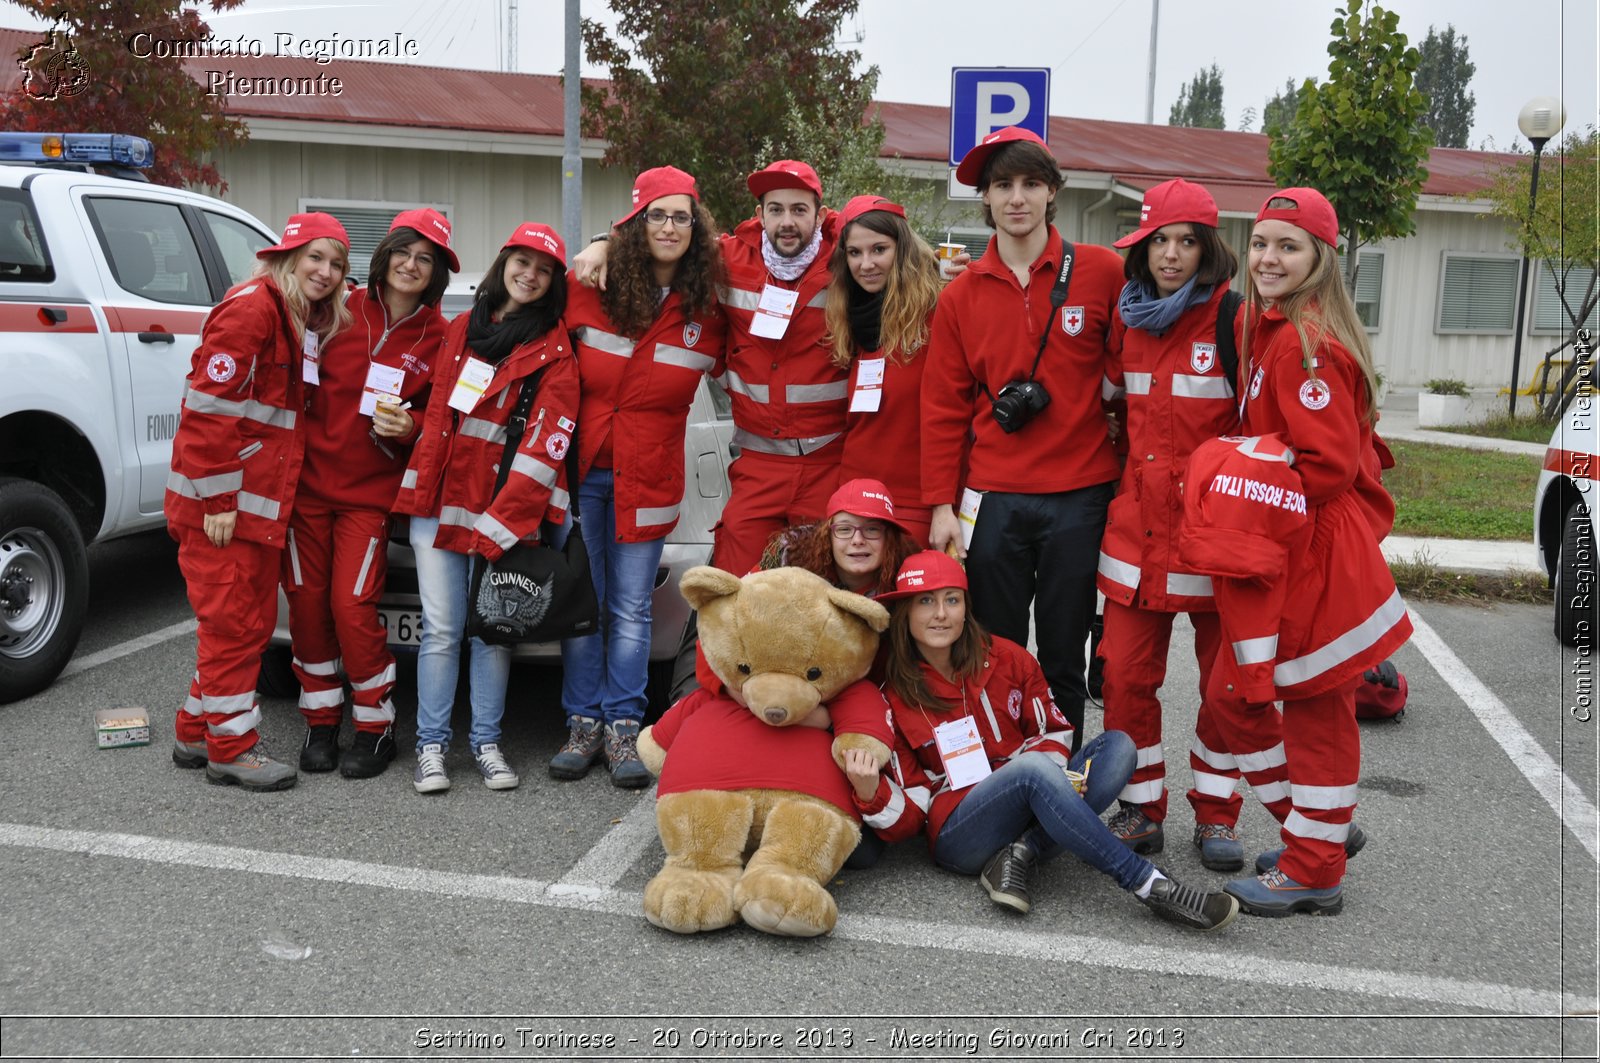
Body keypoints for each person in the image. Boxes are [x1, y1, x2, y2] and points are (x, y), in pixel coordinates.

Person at [1200, 188, 1412, 915]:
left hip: (1316, 550)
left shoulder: (1302, 340)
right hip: (1294, 543)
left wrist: (1232, 461)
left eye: (1287, 246)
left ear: (1319, 257)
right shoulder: (1272, 326)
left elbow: (1323, 466)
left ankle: (1316, 866)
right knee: (1235, 694)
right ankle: (1314, 832)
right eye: (1260, 243)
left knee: (1316, 711)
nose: (1268, 257)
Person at [844, 551, 1239, 932]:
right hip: (959, 832)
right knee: (1033, 771)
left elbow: (1054, 729)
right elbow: (912, 816)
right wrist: (870, 792)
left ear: (967, 606)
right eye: (926, 602)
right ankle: (1149, 884)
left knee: (1119, 747)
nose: (941, 614)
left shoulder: (1007, 657)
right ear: (905, 614)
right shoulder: (890, 694)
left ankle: (1021, 851)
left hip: (1030, 795)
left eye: (952, 599)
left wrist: (1042, 778)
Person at [1095, 179, 1285, 871]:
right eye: (1156, 243)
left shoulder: (1238, 321)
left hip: (1213, 544)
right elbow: (1112, 411)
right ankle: (1141, 808)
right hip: (1134, 542)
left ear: (1208, 248)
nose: (1169, 256)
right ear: (1140, 251)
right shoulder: (1127, 318)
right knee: (1124, 680)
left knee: (1223, 688)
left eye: (1184, 241)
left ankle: (1216, 814)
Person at [921, 126, 1124, 751]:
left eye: (1030, 184)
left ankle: (1063, 780)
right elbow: (942, 409)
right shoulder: (959, 295)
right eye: (1002, 185)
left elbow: (1132, 372)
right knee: (995, 650)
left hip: (1079, 494)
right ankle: (1006, 774)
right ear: (984, 199)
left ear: (1052, 191)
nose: (1017, 198)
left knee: (1064, 651)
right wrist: (939, 507)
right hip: (993, 498)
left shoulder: (1102, 272)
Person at [545, 166, 729, 789]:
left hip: (648, 478)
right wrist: (596, 242)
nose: (670, 227)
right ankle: (582, 722)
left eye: (681, 216)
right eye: (657, 214)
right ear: (635, 223)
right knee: (583, 604)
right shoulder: (588, 287)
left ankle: (624, 727)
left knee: (629, 608)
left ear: (696, 228)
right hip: (581, 472)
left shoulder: (708, 307)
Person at [574, 159, 846, 578]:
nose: (787, 221)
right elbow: (667, 237)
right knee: (731, 596)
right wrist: (604, 241)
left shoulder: (847, 267)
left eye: (799, 209)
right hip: (758, 466)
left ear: (821, 215)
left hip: (829, 464)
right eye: (776, 209)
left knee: (826, 601)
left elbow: (888, 249)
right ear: (759, 215)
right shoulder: (729, 261)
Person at [392, 222, 580, 795]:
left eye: (544, 269)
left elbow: (544, 452)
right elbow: (442, 423)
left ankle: (487, 744)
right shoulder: (461, 330)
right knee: (443, 631)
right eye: (522, 262)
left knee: (494, 632)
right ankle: (431, 748)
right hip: (441, 506)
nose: (530, 274)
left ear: (552, 284)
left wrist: (503, 524)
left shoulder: (555, 351)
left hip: (502, 516)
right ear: (502, 265)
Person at [167, 212, 352, 791]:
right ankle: (231, 748)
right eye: (315, 258)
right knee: (234, 626)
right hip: (224, 509)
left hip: (250, 507)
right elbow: (209, 411)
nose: (325, 272)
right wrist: (220, 497)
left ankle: (196, 731)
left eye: (337, 264)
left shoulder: (293, 315)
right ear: (287, 257)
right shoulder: (254, 308)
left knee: (240, 627)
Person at [285, 209, 455, 780]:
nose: (412, 265)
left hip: (369, 496)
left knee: (350, 608)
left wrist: (412, 430)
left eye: (425, 259)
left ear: (436, 274)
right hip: (307, 489)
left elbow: (449, 417)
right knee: (307, 606)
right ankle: (320, 721)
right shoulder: (336, 309)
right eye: (404, 252)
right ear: (385, 256)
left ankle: (376, 727)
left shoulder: (443, 337)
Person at [822, 195, 944, 545]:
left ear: (902, 250)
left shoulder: (936, 315)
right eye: (855, 253)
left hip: (918, 502)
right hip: (856, 500)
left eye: (879, 250)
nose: (866, 264)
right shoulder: (845, 319)